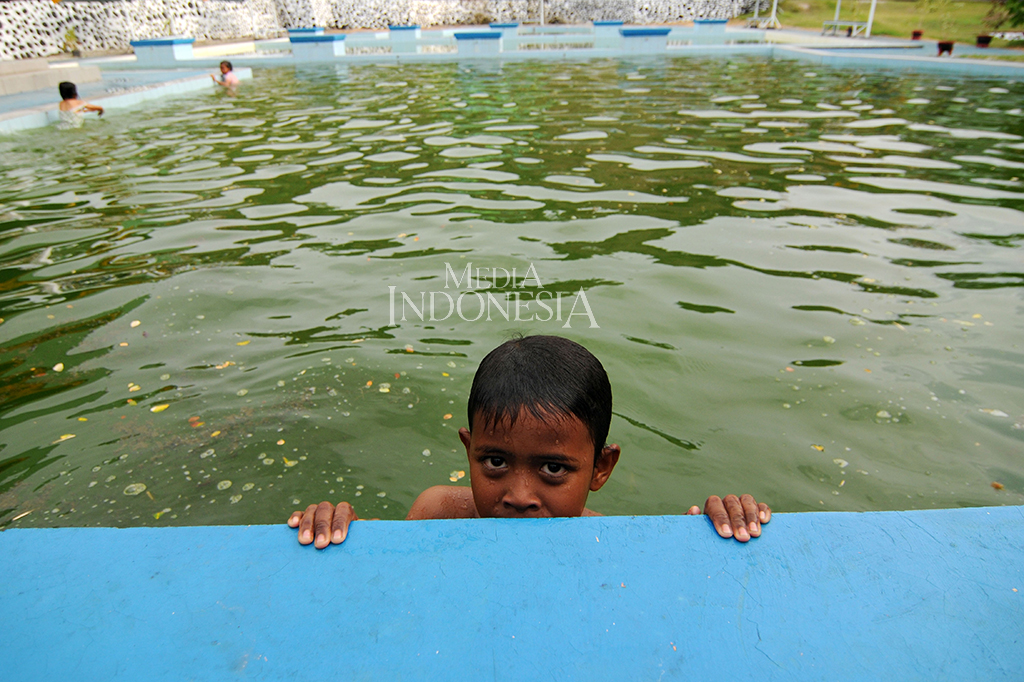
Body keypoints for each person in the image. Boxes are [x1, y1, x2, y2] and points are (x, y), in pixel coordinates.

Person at [289, 335, 771, 548]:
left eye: (554, 469)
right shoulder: (434, 513)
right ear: (467, 450)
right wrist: (342, 531)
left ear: (602, 468)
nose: (519, 497)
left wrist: (711, 533)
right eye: (495, 461)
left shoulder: (605, 541)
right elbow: (388, 580)